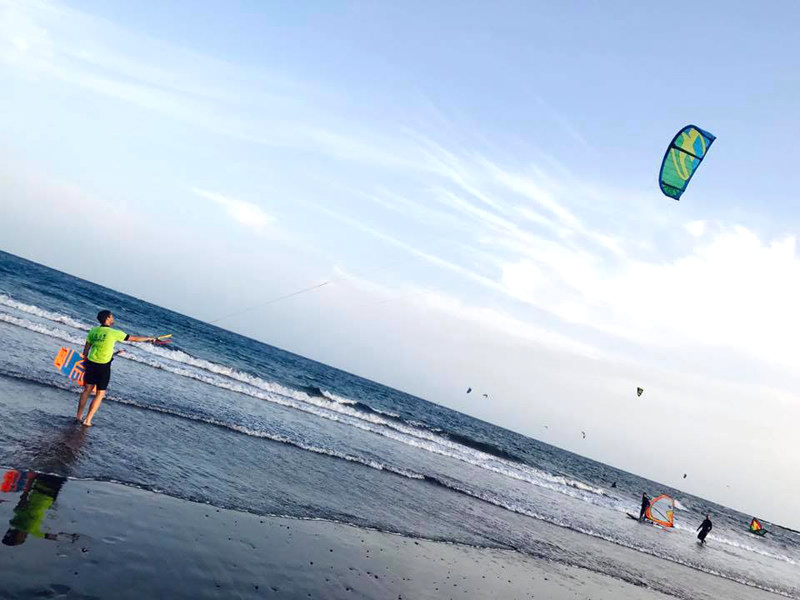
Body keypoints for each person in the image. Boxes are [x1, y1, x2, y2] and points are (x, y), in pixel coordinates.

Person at [76, 310, 157, 427]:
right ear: (108, 318)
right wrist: (149, 338)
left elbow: (86, 349)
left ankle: (78, 416)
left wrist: (85, 362)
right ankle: (87, 420)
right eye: (112, 316)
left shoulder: (93, 330)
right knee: (100, 393)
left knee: (87, 390)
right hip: (103, 365)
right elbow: (133, 338)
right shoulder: (113, 333)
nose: (113, 318)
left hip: (91, 363)